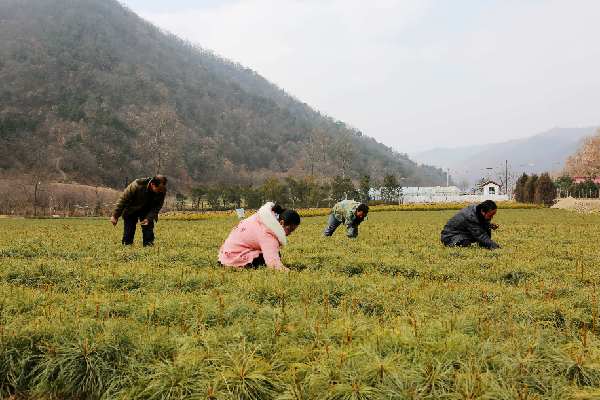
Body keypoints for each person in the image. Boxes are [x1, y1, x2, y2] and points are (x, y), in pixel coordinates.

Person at [218, 202, 300, 271]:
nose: (290, 233)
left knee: (275, 253)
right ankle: (238, 264)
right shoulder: (268, 233)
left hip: (228, 252)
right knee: (272, 256)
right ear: (281, 223)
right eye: (290, 229)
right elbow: (273, 264)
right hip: (234, 257)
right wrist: (288, 271)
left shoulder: (262, 218)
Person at [110, 176, 167, 246]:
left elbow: (157, 207)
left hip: (146, 211)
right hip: (131, 209)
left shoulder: (162, 190)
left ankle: (148, 249)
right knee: (128, 233)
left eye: (162, 190)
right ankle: (126, 250)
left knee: (148, 233)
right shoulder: (137, 185)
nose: (160, 192)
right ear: (152, 184)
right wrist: (115, 216)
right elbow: (123, 200)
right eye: (158, 189)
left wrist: (148, 218)